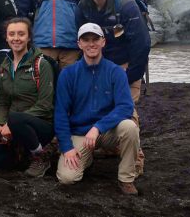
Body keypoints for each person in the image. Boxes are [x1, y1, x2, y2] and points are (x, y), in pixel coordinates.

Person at [77, 0, 149, 174]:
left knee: (126, 110)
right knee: (102, 105)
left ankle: (136, 159)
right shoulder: (83, 7)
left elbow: (142, 44)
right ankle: (112, 146)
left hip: (127, 65)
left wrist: (128, 76)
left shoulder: (125, 5)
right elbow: (81, 40)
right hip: (99, 65)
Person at [55, 23, 140, 195]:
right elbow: (61, 113)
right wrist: (67, 147)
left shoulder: (116, 72)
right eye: (86, 40)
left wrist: (97, 128)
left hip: (108, 131)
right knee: (67, 179)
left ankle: (126, 179)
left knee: (130, 127)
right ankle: (87, 159)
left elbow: (125, 107)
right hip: (79, 134)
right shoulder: (68, 74)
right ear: (79, 44)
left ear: (103, 42)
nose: (91, 44)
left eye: (95, 39)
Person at [0, 17, 55, 178]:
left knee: (16, 118)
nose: (16, 38)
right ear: (6, 37)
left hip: (39, 126)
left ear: (29, 37)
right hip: (12, 125)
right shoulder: (5, 65)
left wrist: (11, 124)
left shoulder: (41, 65)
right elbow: (2, 100)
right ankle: (22, 155)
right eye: (12, 34)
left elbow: (45, 104)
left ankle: (41, 156)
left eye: (21, 34)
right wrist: (0, 124)